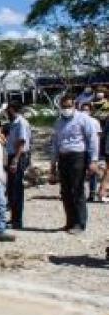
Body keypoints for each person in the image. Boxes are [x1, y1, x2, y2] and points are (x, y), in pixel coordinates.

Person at [49, 95, 100, 233]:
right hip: (63, 157)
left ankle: (79, 223)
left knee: (77, 190)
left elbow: (93, 140)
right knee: (65, 191)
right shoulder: (58, 122)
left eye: (68, 106)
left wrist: (93, 160)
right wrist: (53, 165)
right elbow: (55, 144)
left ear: (74, 105)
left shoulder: (84, 119)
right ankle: (70, 222)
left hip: (78, 156)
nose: (66, 109)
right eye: (64, 106)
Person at [5, 100, 32, 229]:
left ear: (13, 110)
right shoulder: (13, 123)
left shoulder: (21, 123)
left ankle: (17, 220)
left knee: (16, 189)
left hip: (18, 156)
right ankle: (13, 218)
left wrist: (15, 160)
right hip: (11, 156)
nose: (6, 112)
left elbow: (22, 143)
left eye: (8, 110)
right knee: (11, 189)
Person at [81, 102, 103, 202]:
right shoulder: (79, 121)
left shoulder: (95, 122)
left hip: (92, 150)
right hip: (81, 149)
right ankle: (80, 193)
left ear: (91, 111)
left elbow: (98, 136)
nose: (85, 112)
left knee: (93, 172)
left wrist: (96, 150)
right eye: (83, 109)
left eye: (87, 110)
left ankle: (92, 193)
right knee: (80, 172)